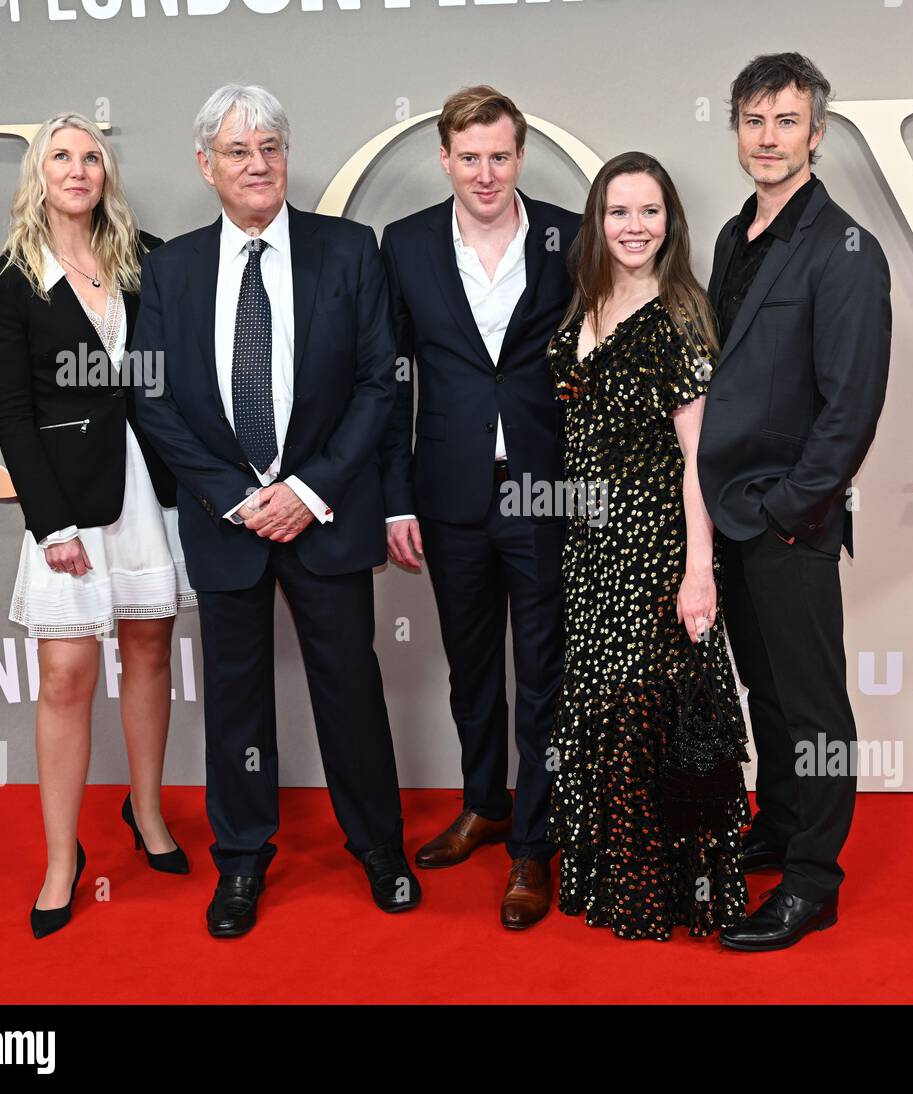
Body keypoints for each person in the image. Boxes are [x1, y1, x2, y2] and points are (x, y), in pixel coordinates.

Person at [132, 84, 417, 938]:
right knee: (235, 701)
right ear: (205, 164)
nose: (257, 165)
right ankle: (243, 862)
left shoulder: (349, 250)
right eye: (237, 151)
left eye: (270, 148)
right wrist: (234, 497)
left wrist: (308, 491)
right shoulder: (170, 267)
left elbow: (380, 385)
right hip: (227, 523)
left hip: (324, 514)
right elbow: (152, 399)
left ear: (285, 156)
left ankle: (380, 849)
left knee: (351, 691)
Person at [0, 112, 193, 941]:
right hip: (70, 499)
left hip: (152, 488)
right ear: (38, 174)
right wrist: (50, 522)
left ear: (107, 171)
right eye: (61, 156)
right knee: (66, 674)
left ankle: (148, 814)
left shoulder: (151, 260)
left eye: (91, 156)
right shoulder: (7, 279)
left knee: (148, 650)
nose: (78, 169)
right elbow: (13, 413)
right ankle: (63, 860)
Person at [697, 53, 892, 951]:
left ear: (817, 133)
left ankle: (815, 878)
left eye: (786, 122)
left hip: (790, 520)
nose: (767, 138)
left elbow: (850, 410)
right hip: (729, 513)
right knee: (765, 692)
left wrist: (786, 509)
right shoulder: (737, 236)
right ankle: (778, 824)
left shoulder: (848, 248)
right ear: (736, 130)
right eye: (753, 120)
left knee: (814, 706)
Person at [378, 86, 580, 929]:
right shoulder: (407, 244)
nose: (486, 172)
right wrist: (394, 502)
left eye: (500, 156)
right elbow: (387, 383)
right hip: (449, 494)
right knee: (471, 672)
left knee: (541, 675)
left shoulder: (571, 233)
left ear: (520, 156)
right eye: (470, 157)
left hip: (545, 490)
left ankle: (533, 846)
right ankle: (484, 803)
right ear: (445, 160)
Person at [546, 151, 750, 942]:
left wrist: (699, 571)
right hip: (589, 550)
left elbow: (702, 457)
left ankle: (659, 892)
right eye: (619, 212)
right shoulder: (585, 303)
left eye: (650, 212)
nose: (635, 227)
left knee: (646, 716)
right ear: (599, 222)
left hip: (656, 547)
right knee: (600, 709)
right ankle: (610, 880)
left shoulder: (680, 316)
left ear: (671, 221)